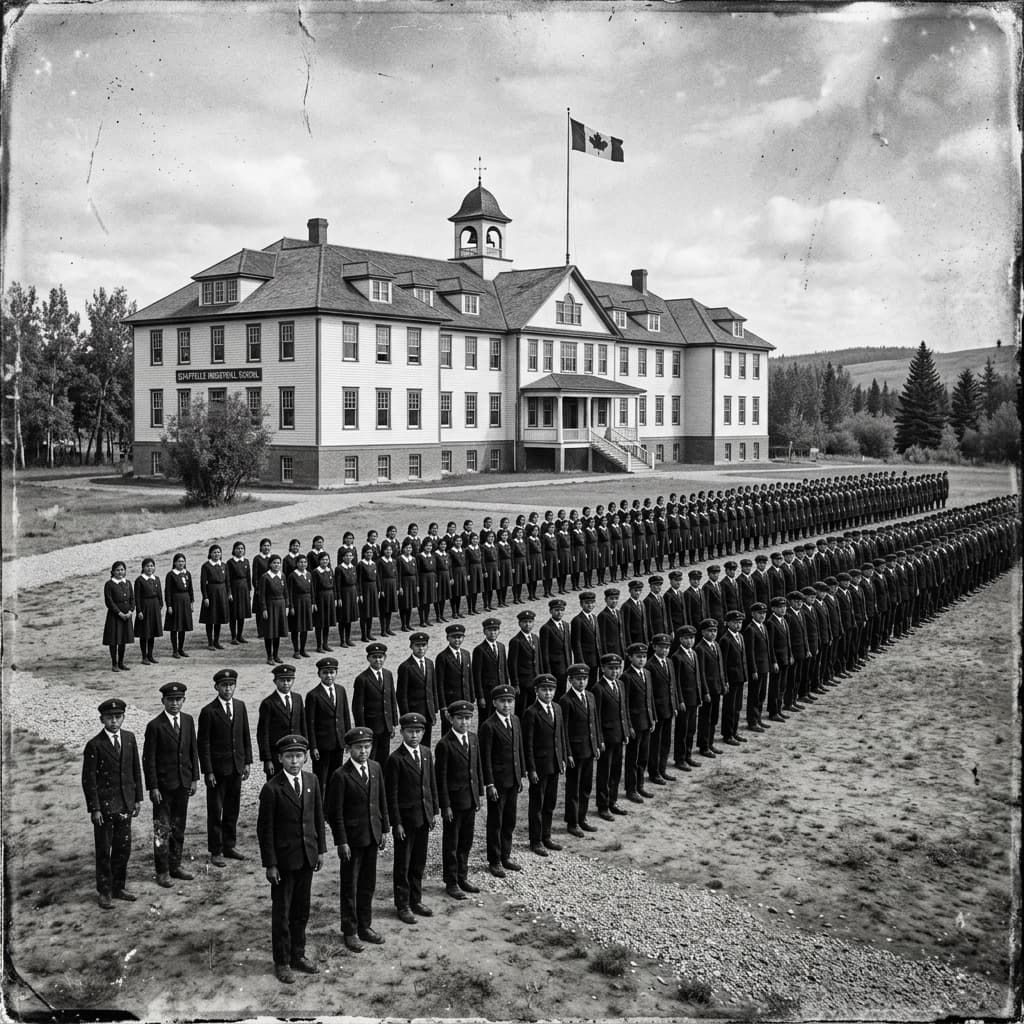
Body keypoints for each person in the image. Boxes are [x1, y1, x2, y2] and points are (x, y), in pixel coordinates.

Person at [257, 734, 325, 984]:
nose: (294, 761)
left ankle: (299, 954)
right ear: (280, 758)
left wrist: (320, 850)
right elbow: (265, 831)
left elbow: (318, 817)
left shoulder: (312, 781)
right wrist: (271, 864)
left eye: (298, 756)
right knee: (282, 913)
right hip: (284, 863)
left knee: (301, 910)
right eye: (289, 756)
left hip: (307, 856)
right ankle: (282, 961)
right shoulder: (272, 789)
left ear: (305, 757)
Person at [325, 726, 389, 953]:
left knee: (367, 884)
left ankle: (365, 926)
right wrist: (341, 841)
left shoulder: (375, 768)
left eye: (367, 746)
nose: (363, 751)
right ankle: (350, 931)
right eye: (358, 747)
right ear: (348, 749)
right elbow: (334, 813)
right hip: (352, 842)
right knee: (350, 886)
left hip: (372, 835)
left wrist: (384, 829)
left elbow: (382, 800)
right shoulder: (340, 776)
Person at [82, 697, 144, 908]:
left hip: (125, 804)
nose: (114, 721)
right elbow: (89, 780)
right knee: (104, 850)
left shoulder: (129, 738)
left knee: (123, 848)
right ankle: (105, 891)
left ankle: (119, 886)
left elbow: (136, 770)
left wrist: (137, 799)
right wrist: (95, 808)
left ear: (124, 718)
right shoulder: (94, 745)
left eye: (118, 717)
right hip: (106, 808)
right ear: (102, 719)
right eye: (109, 718)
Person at [143, 681, 199, 888]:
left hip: (183, 784)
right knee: (162, 830)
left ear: (184, 700)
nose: (174, 704)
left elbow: (193, 751)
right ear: (163, 701)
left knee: (179, 828)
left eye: (178, 700)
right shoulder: (155, 726)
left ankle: (176, 865)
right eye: (170, 700)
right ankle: (163, 871)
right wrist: (153, 787)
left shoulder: (188, 720)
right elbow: (149, 760)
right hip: (164, 788)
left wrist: (194, 779)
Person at [385, 712, 439, 924]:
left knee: (419, 862)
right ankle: (403, 904)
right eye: (410, 731)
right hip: (405, 822)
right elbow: (392, 795)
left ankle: (416, 900)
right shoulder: (395, 759)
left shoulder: (426, 753)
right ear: (402, 733)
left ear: (423, 733)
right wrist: (396, 822)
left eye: (418, 731)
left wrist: (433, 811)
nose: (414, 735)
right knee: (403, 864)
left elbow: (430, 784)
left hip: (423, 817)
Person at [198, 668, 253, 866]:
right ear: (216, 687)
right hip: (218, 770)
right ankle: (216, 850)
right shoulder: (208, 711)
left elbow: (245, 735)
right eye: (224, 685)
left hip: (236, 767)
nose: (228, 689)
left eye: (231, 685)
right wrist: (208, 771)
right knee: (216, 810)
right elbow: (203, 744)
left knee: (232, 808)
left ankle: (229, 845)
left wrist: (247, 761)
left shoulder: (240, 706)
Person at [433, 700, 484, 900]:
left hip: (470, 799)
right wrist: (445, 805)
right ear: (451, 719)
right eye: (460, 718)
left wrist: (478, 793)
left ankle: (463, 876)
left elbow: (476, 767)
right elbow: (441, 777)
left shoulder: (472, 738)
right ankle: (451, 881)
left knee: (466, 840)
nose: (464, 722)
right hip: (454, 803)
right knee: (451, 843)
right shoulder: (445, 744)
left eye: (468, 718)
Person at [478, 684, 525, 877]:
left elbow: (518, 749)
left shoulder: (515, 720)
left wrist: (520, 775)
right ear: (494, 702)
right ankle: (494, 860)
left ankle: (506, 855)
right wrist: (489, 784)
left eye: (510, 701)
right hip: (497, 783)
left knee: (509, 819)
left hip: (512, 779)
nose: (507, 705)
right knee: (495, 821)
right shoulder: (488, 726)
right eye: (503, 701)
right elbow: (485, 757)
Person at [522, 674, 567, 857]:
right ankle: (536, 840)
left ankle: (546, 836)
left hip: (554, 763)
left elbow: (560, 736)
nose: (548, 693)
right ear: (536, 691)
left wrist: (562, 757)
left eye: (551, 690)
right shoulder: (531, 713)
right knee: (537, 804)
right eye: (544, 690)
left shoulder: (556, 708)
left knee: (550, 802)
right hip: (539, 767)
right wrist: (531, 768)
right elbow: (528, 744)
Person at [559, 663, 602, 837]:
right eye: (578, 679)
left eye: (584, 679)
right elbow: (564, 730)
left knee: (586, 786)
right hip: (575, 752)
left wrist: (597, 743)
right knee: (573, 789)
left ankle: (582, 818)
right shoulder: (566, 700)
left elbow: (595, 721)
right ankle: (572, 821)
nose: (582, 682)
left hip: (589, 748)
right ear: (570, 680)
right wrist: (568, 752)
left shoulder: (590, 696)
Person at [591, 652, 631, 821]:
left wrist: (626, 731)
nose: (614, 672)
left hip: (619, 735)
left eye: (617, 668)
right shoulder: (598, 689)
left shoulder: (621, 684)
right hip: (606, 739)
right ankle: (603, 805)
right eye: (611, 668)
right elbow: (596, 717)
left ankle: (613, 801)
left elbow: (624, 710)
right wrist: (599, 740)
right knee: (604, 773)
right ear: (603, 669)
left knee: (616, 771)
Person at [305, 656, 352, 797]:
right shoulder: (313, 695)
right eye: (325, 672)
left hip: (338, 742)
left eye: (332, 672)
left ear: (336, 673)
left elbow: (345, 715)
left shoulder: (340, 690)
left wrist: (348, 740)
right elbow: (310, 723)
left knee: (336, 777)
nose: (329, 676)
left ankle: (332, 808)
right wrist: (313, 746)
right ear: (319, 674)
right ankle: (319, 810)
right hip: (322, 745)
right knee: (320, 779)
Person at [353, 642, 399, 765]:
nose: (378, 660)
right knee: (370, 758)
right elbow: (357, 707)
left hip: (386, 725)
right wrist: (361, 729)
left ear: (385, 658)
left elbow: (391, 699)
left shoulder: (388, 674)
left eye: (380, 657)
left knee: (384, 756)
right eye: (374, 657)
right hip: (371, 726)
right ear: (368, 658)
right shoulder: (362, 679)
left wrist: (393, 722)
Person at [257, 663, 306, 780]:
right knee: (276, 783)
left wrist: (304, 749)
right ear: (275, 682)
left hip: (295, 749)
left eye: (289, 680)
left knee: (295, 780)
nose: (286, 683)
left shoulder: (297, 698)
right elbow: (263, 733)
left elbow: (303, 725)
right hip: (277, 754)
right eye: (282, 680)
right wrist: (267, 759)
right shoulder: (268, 703)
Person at [621, 642, 656, 802]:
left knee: (643, 756)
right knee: (632, 758)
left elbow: (650, 699)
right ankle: (631, 788)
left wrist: (653, 718)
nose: (641, 660)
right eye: (638, 657)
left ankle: (640, 785)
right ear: (630, 657)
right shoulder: (626, 677)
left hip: (647, 722)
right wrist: (628, 726)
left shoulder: (647, 673)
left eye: (644, 656)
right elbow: (625, 704)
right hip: (635, 724)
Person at [670, 625, 706, 771]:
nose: (690, 641)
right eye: (686, 638)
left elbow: (698, 676)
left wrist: (700, 694)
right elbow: (676, 682)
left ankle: (688, 755)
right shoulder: (677, 657)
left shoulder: (694, 653)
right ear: (680, 639)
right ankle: (680, 758)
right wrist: (680, 700)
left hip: (694, 698)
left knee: (691, 729)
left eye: (692, 638)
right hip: (684, 699)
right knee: (682, 730)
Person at [646, 633, 679, 784]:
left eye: (667, 647)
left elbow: (673, 686)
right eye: (662, 647)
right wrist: (652, 714)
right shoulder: (649, 666)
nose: (665, 650)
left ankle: (662, 769)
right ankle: (654, 772)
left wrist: (675, 705)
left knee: (666, 741)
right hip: (657, 710)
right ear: (654, 647)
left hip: (668, 708)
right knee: (655, 743)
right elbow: (649, 693)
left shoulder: (669, 662)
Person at [396, 632, 438, 747]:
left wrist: (434, 711)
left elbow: (433, 688)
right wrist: (406, 717)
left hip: (427, 712)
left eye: (424, 645)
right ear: (411, 646)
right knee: (413, 743)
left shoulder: (429, 663)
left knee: (426, 743)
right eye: (417, 645)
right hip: (414, 712)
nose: (421, 648)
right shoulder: (405, 667)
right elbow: (401, 695)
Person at [719, 611, 749, 746]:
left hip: (740, 677)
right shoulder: (725, 639)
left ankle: (734, 731)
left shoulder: (741, 637)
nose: (738, 625)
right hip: (730, 679)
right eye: (735, 622)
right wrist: (724, 681)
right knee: (729, 707)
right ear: (728, 623)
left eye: (740, 622)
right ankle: (727, 733)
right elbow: (723, 663)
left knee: (737, 706)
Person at [472, 618, 510, 718]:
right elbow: (477, 675)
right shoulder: (479, 650)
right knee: (486, 718)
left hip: (500, 690)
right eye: (490, 630)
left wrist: (506, 687)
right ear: (484, 632)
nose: (493, 633)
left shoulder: (501, 647)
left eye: (495, 630)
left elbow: (504, 669)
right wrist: (480, 696)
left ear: (499, 631)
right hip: (487, 692)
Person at [102, 561, 135, 671]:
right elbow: (109, 602)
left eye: (122, 570)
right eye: (117, 570)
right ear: (113, 572)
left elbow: (132, 599)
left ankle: (121, 662)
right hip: (115, 616)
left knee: (123, 639)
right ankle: (114, 663)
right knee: (114, 640)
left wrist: (130, 611)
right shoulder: (109, 584)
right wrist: (119, 613)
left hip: (127, 616)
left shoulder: (128, 583)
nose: (120, 572)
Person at [507, 610, 538, 718]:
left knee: (533, 707)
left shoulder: (535, 638)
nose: (528, 624)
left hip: (534, 680)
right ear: (519, 623)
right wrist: (515, 684)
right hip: (522, 682)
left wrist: (540, 677)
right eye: (525, 622)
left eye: (530, 622)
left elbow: (538, 660)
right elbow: (512, 664)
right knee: (521, 709)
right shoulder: (516, 641)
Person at [133, 557, 164, 665]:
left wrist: (160, 604)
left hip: (155, 606)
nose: (150, 568)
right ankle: (144, 656)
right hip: (145, 607)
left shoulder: (157, 579)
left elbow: (160, 593)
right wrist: (139, 611)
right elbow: (137, 597)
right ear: (143, 568)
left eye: (151, 566)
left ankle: (150, 655)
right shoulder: (139, 580)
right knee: (144, 633)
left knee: (152, 632)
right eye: (147, 566)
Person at [163, 553, 195, 659]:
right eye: (179, 561)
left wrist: (191, 603)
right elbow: (167, 591)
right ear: (174, 563)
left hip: (185, 601)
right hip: (175, 602)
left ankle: (181, 648)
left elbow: (190, 589)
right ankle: (175, 650)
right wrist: (169, 605)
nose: (181, 563)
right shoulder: (171, 575)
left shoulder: (187, 574)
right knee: (175, 627)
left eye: (183, 561)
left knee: (183, 626)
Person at [199, 544, 230, 651]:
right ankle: (210, 642)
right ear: (210, 554)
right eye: (214, 552)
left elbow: (227, 582)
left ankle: (217, 641)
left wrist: (229, 593)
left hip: (222, 593)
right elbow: (203, 584)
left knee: (218, 618)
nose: (216, 554)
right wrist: (205, 597)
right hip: (211, 593)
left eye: (218, 552)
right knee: (210, 618)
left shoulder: (224, 565)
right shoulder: (206, 566)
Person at [259, 553, 288, 666]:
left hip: (280, 605)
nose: (277, 565)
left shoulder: (282, 576)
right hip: (270, 606)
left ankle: (276, 655)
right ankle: (269, 656)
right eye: (274, 563)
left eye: (278, 563)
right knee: (270, 632)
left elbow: (286, 593)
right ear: (270, 564)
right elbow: (262, 595)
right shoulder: (265, 577)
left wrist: (287, 606)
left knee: (278, 632)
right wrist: (264, 609)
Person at [570, 591, 603, 688]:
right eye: (587, 603)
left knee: (594, 681)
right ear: (581, 604)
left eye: (592, 603)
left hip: (595, 657)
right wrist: (581, 661)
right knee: (585, 684)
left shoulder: (594, 617)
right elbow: (576, 643)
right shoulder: (577, 620)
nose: (590, 605)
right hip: (586, 659)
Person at [286, 553, 314, 658]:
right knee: (296, 628)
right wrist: (291, 606)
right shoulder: (292, 576)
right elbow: (290, 592)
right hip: (297, 603)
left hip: (306, 603)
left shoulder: (309, 574)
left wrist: (312, 603)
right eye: (301, 562)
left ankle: (303, 649)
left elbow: (312, 591)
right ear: (297, 563)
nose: (303, 564)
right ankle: (296, 650)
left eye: (305, 562)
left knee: (305, 628)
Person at [226, 541, 253, 645]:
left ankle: (240, 635)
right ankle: (233, 637)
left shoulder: (246, 561)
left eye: (242, 548)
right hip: (234, 589)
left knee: (242, 614)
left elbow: (248, 577)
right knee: (234, 614)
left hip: (244, 589)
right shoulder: (230, 562)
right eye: (238, 548)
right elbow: (228, 579)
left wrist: (249, 592)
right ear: (234, 550)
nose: (240, 550)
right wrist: (229, 593)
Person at [312, 552, 337, 653]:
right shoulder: (316, 572)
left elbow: (334, 585)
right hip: (320, 598)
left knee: (327, 622)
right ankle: (319, 646)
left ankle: (325, 644)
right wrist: (314, 602)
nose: (325, 561)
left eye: (327, 560)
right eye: (323, 560)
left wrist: (335, 598)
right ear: (319, 561)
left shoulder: (330, 570)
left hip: (329, 597)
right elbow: (313, 589)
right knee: (320, 623)